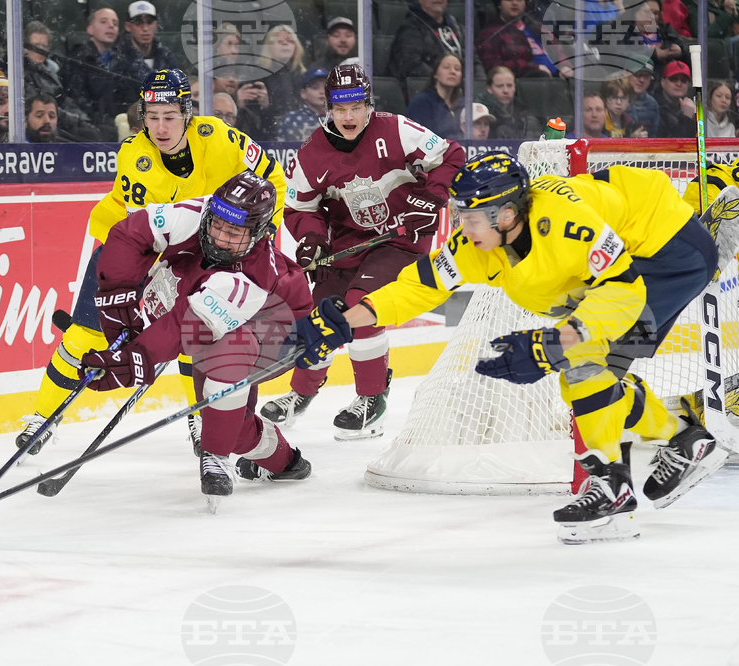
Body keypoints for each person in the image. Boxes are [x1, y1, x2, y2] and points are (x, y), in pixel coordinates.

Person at [292, 152, 727, 543]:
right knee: (584, 371)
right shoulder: (478, 243)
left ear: (505, 215)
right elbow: (419, 286)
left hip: (668, 253)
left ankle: (613, 488)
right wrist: (346, 323)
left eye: (472, 217)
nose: (463, 227)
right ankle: (685, 441)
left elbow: (625, 292)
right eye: (461, 215)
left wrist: (548, 346)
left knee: (580, 365)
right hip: (622, 260)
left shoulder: (567, 229)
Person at [17, 69, 287, 457]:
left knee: (197, 333)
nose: (159, 127)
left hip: (203, 248)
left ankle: (200, 417)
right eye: (152, 116)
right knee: (85, 336)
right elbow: (143, 241)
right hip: (130, 246)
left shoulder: (222, 139)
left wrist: (265, 234)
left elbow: (274, 179)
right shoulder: (135, 155)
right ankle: (43, 418)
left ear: (187, 114)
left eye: (170, 116)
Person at [75, 172, 313, 510]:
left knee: (226, 361)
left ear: (260, 234)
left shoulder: (254, 276)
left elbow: (187, 326)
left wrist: (131, 361)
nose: (219, 236)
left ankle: (220, 454)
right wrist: (117, 305)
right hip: (212, 312)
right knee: (238, 424)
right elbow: (130, 235)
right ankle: (285, 461)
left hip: (281, 335)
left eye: (233, 233)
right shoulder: (201, 213)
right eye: (216, 224)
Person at [259, 64, 465, 440]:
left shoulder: (397, 129)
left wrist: (431, 197)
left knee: (360, 303)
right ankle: (301, 394)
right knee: (318, 311)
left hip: (404, 237)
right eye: (340, 108)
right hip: (349, 242)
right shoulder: (310, 154)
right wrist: (311, 240)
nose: (348, 116)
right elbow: (301, 210)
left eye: (356, 107)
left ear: (369, 105)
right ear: (328, 109)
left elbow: (452, 156)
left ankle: (372, 400)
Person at [64, 7, 148, 138]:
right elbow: (77, 99)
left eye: (115, 24)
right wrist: (105, 123)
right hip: (92, 129)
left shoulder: (125, 60)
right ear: (90, 29)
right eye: (104, 22)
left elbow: (132, 97)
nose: (111, 26)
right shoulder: (77, 59)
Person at [23, 21, 102, 141]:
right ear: (25, 47)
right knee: (90, 136)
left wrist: (82, 117)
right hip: (48, 126)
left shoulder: (49, 72)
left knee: (103, 130)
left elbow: (65, 99)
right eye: (37, 46)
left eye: (44, 47)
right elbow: (40, 107)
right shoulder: (20, 74)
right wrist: (76, 119)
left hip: (63, 120)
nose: (41, 51)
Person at [475, 0, 570, 79]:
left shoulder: (539, 28)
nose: (515, 3)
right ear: (499, 4)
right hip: (525, 86)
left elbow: (559, 52)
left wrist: (564, 66)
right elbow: (492, 65)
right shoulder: (489, 34)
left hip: (557, 82)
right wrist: (532, 68)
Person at [387, 0, 464, 84]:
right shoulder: (410, 28)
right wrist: (442, 79)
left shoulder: (457, 27)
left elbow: (474, 63)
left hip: (457, 88)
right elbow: (410, 64)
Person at [256, 25, 307, 129]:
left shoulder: (305, 77)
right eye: (279, 41)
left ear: (296, 47)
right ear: (269, 47)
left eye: (290, 40)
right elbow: (253, 119)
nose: (285, 43)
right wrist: (266, 107)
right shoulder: (259, 76)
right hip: (269, 133)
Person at [405, 52, 463, 140]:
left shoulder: (463, 104)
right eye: (446, 67)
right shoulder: (421, 103)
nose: (452, 71)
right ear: (435, 74)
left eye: (457, 69)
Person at [476, 66, 541, 139]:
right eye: (499, 86)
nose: (505, 91)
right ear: (489, 89)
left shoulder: (527, 118)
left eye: (509, 86)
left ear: (515, 87)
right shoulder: (480, 115)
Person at [118, 1, 179, 75]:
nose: (145, 28)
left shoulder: (166, 56)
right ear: (128, 26)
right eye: (138, 23)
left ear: (156, 25)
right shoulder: (119, 57)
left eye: (149, 22)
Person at [275, 66, 328, 142]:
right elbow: (282, 150)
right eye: (315, 87)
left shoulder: (339, 118)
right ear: (303, 94)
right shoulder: (291, 120)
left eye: (326, 87)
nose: (322, 92)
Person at [633, 0, 684, 76]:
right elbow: (621, 57)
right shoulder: (623, 31)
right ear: (635, 12)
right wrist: (654, 55)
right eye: (648, 12)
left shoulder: (667, 31)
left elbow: (688, 55)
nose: (652, 16)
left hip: (665, 79)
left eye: (656, 13)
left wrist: (681, 52)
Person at [653, 60, 696, 138]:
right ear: (663, 82)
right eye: (673, 79)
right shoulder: (653, 107)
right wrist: (686, 118)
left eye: (683, 80)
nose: (679, 84)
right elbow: (672, 145)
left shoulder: (691, 107)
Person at [624, 58, 661, 137]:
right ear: (625, 73)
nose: (642, 80)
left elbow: (653, 137)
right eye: (637, 74)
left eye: (646, 76)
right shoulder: (614, 99)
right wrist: (630, 140)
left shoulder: (652, 104)